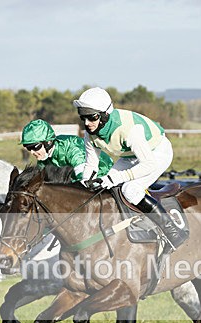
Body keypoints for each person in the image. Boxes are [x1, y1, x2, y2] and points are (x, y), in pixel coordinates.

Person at [73, 87, 187, 249]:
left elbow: (149, 165)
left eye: (91, 118)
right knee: (106, 189)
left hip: (156, 152)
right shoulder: (89, 133)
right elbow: (91, 165)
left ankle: (172, 231)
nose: (86, 123)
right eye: (82, 117)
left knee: (131, 190)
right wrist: (85, 184)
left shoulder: (129, 130)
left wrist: (115, 178)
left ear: (105, 115)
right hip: (130, 155)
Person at [20, 119, 113, 182]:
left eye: (35, 147)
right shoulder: (44, 156)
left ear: (48, 142)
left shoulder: (71, 147)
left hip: (103, 172)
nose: (32, 152)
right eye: (28, 148)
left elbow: (83, 177)